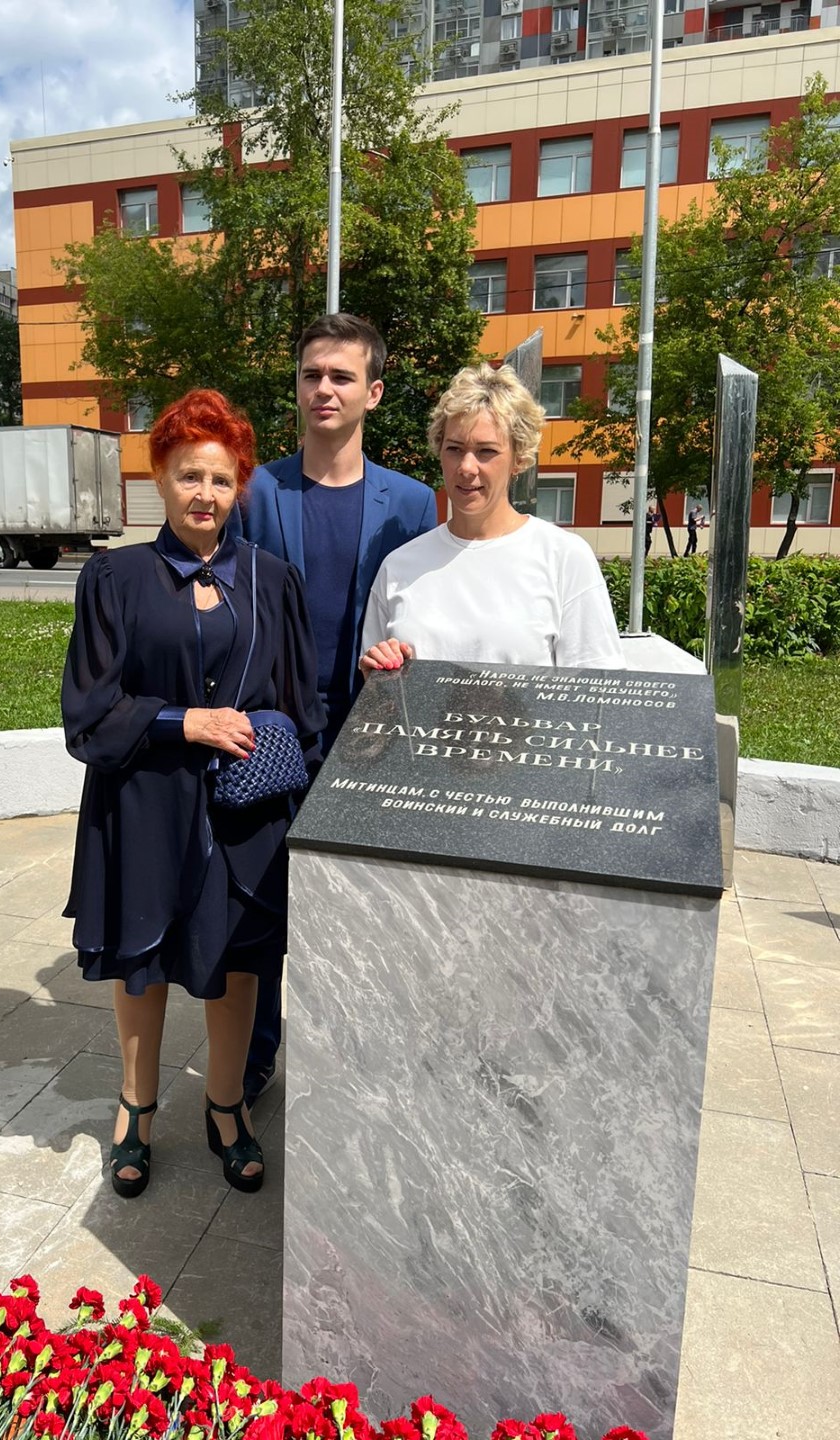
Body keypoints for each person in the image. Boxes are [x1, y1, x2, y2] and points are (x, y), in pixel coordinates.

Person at [62, 389, 326, 1201]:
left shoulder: (274, 581)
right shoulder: (115, 578)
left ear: (240, 483)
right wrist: (190, 723)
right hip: (142, 806)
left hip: (246, 814)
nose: (204, 494)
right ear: (160, 480)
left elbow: (303, 704)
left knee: (238, 964)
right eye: (188, 476)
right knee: (141, 964)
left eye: (220, 477)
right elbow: (87, 715)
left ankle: (225, 1107)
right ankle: (135, 1114)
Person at [236, 312, 437, 1102]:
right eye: (312, 374)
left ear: (373, 392)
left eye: (341, 376)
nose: (324, 388)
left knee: (356, 914)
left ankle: (346, 1062)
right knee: (259, 910)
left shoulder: (412, 504)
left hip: (366, 739)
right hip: (270, 735)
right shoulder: (256, 490)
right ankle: (251, 1059)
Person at [360, 363, 625, 675]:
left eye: (486, 451)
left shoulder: (563, 557)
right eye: (454, 449)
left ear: (519, 458)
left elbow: (596, 689)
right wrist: (379, 674)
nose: (467, 467)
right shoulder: (399, 566)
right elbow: (379, 703)